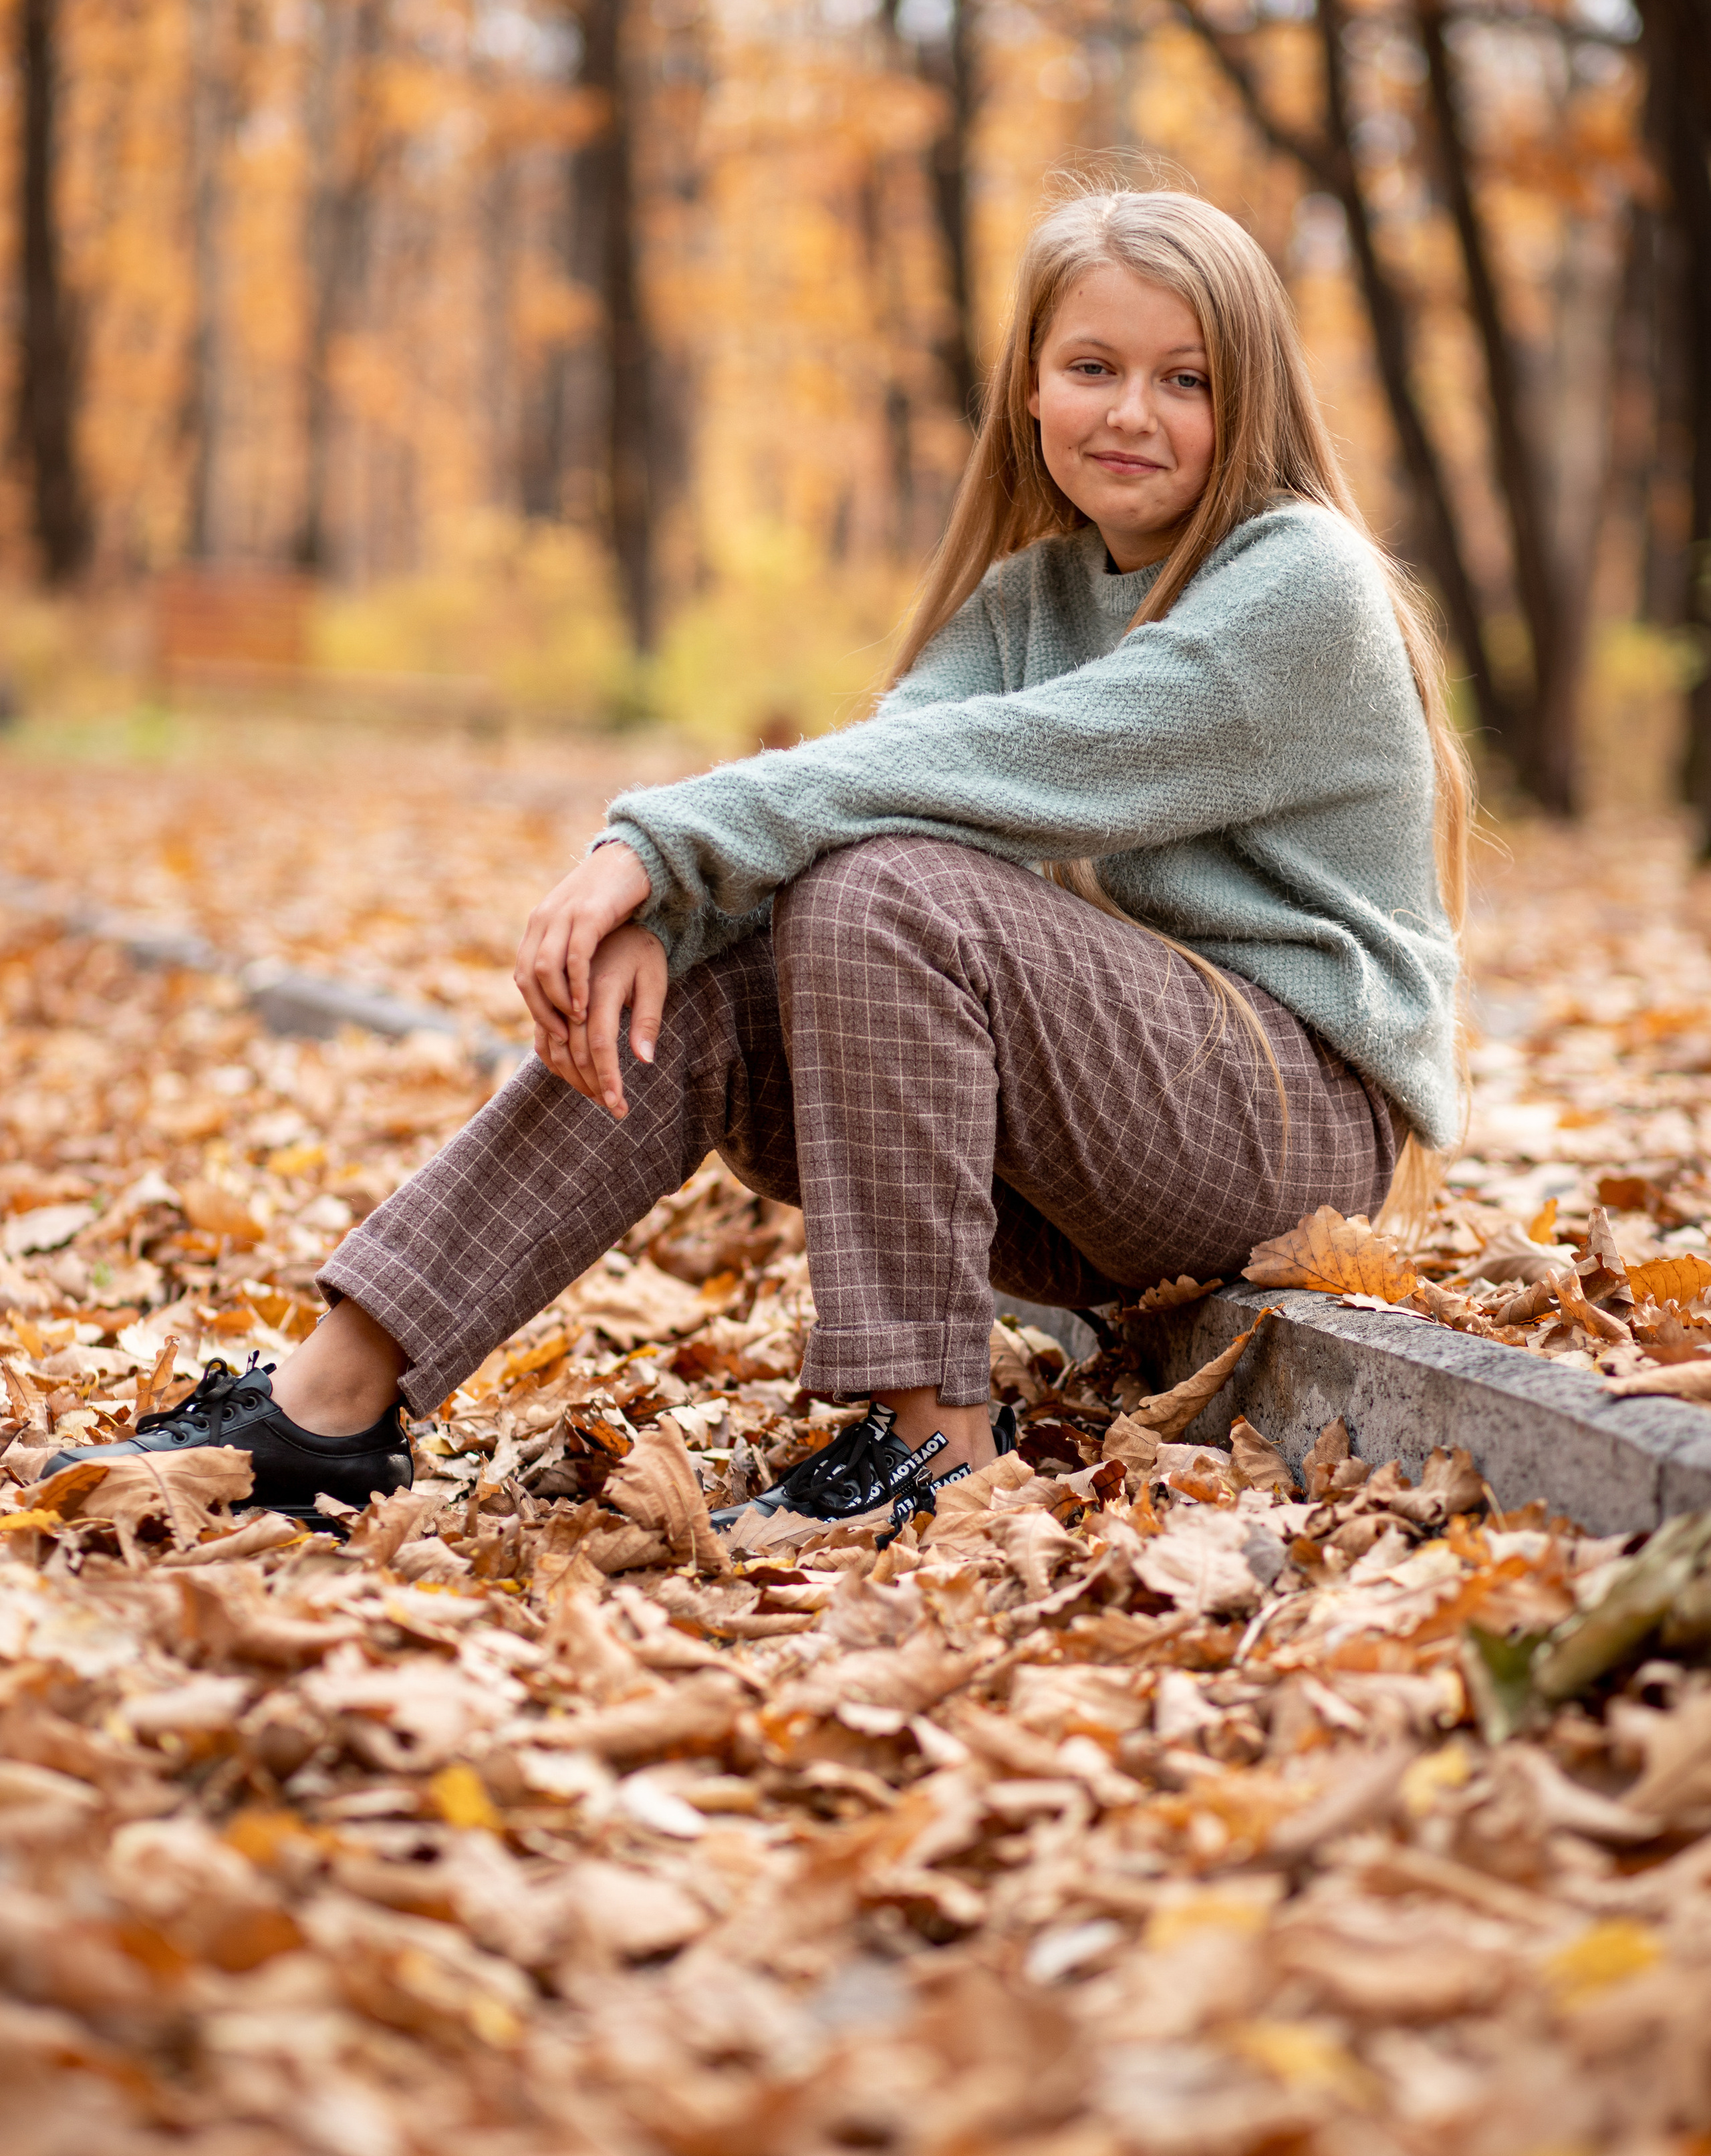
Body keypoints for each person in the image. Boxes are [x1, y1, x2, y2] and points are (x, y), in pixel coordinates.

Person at [48, 184, 1465, 1528]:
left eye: (1187, 379)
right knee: (719, 965)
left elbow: (1005, 771)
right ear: (1026, 386)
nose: (1131, 413)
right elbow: (871, 778)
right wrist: (677, 909)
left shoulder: (1300, 581)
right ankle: (325, 1409)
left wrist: (660, 842)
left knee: (888, 893)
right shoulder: (1027, 595)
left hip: (1286, 1139)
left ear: (1250, 400)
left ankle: (927, 1450)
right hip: (1105, 1157)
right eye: (1092, 367)